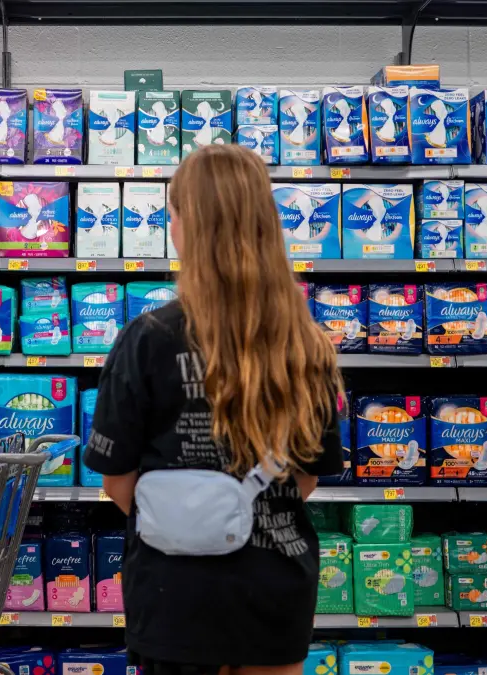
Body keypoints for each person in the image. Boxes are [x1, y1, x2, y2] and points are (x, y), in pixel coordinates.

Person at [82, 144, 344, 675]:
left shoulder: (146, 339)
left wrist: (189, 520)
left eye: (172, 214)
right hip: (275, 588)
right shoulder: (307, 344)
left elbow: (116, 481)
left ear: (187, 227)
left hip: (173, 591)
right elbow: (307, 478)